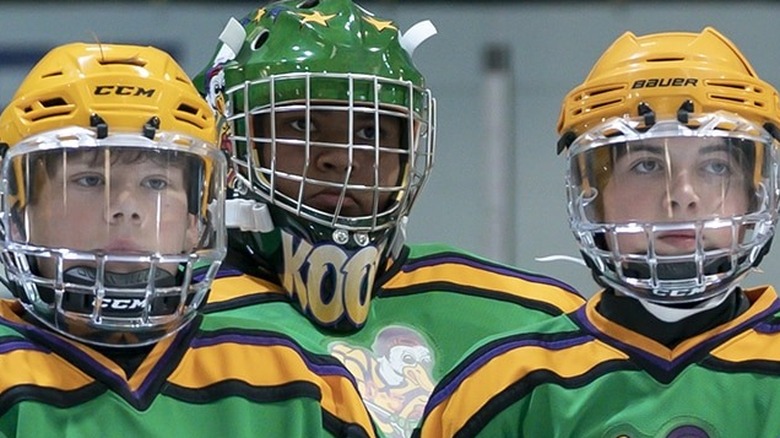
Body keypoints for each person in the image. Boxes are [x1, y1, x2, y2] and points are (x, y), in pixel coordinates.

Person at [195, 1, 585, 436]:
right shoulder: (170, 322)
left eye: (371, 132)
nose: (343, 160)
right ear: (228, 142)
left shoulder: (537, 320)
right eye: (302, 125)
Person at [413, 26, 780, 437]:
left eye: (715, 166)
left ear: (755, 193)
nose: (682, 195)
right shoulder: (503, 389)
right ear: (592, 196)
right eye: (646, 165)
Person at [0, 42, 377, 437]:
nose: (126, 208)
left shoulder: (295, 380)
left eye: (156, 183)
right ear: (19, 214)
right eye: (89, 180)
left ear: (197, 219)